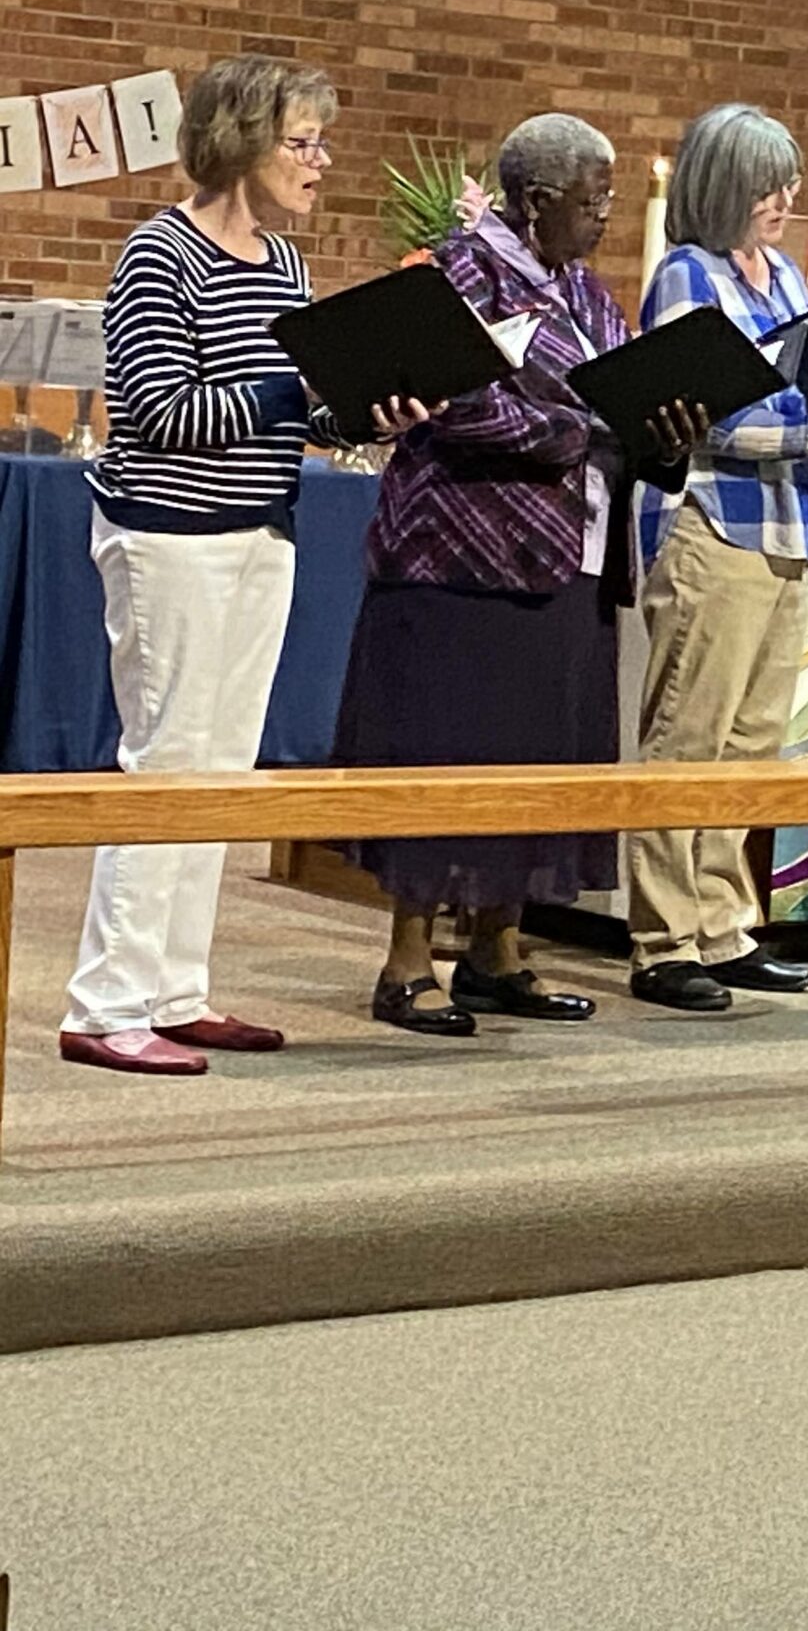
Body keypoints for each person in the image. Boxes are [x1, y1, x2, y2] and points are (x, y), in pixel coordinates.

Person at [59, 55, 428, 1075]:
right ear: (240, 143)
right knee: (165, 765)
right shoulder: (158, 253)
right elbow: (158, 412)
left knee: (221, 769)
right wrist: (286, 394)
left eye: (319, 143)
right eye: (300, 142)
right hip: (167, 537)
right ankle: (103, 1004)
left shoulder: (285, 266)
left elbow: (293, 410)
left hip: (259, 529)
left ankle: (175, 988)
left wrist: (363, 406)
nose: (319, 162)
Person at [336, 113, 701, 1036]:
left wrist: (666, 432)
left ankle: (497, 951)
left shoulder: (584, 290)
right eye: (592, 201)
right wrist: (590, 429)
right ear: (536, 200)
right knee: (445, 760)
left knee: (539, 762)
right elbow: (453, 404)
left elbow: (624, 391)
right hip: (463, 559)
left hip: (568, 559)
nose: (606, 218)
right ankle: (407, 960)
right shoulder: (460, 270)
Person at [624, 105, 808, 1013]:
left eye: (788, 179)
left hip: (786, 529)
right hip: (714, 526)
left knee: (751, 742)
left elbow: (796, 384)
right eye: (766, 183)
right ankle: (663, 939)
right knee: (688, 737)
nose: (786, 197)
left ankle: (722, 924)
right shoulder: (687, 278)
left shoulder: (781, 272)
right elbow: (707, 413)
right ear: (721, 187)